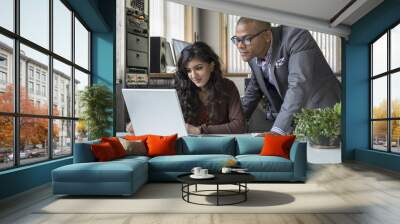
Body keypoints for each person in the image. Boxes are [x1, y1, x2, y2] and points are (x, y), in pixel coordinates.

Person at [232, 17, 341, 135]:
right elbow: (254, 90)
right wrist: (231, 123)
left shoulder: (295, 35)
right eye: (236, 40)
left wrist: (277, 131)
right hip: (296, 120)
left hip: (325, 114)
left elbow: (298, 84)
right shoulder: (253, 54)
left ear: (267, 36)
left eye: (247, 39)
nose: (240, 46)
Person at [127, 41, 246, 135]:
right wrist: (141, 124)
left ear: (211, 66)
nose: (193, 75)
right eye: (188, 70)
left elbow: (239, 125)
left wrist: (200, 130)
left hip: (219, 145)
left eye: (199, 68)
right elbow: (165, 120)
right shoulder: (182, 89)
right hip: (188, 146)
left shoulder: (228, 87)